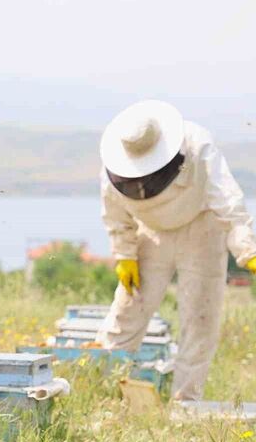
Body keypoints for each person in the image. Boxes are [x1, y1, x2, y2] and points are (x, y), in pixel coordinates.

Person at [96, 99, 256, 401]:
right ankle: (104, 391)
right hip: (153, 233)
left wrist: (248, 250)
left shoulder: (198, 145)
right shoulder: (114, 167)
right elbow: (115, 214)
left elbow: (228, 199)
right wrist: (124, 255)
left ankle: (186, 402)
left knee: (200, 318)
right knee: (128, 311)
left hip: (202, 229)